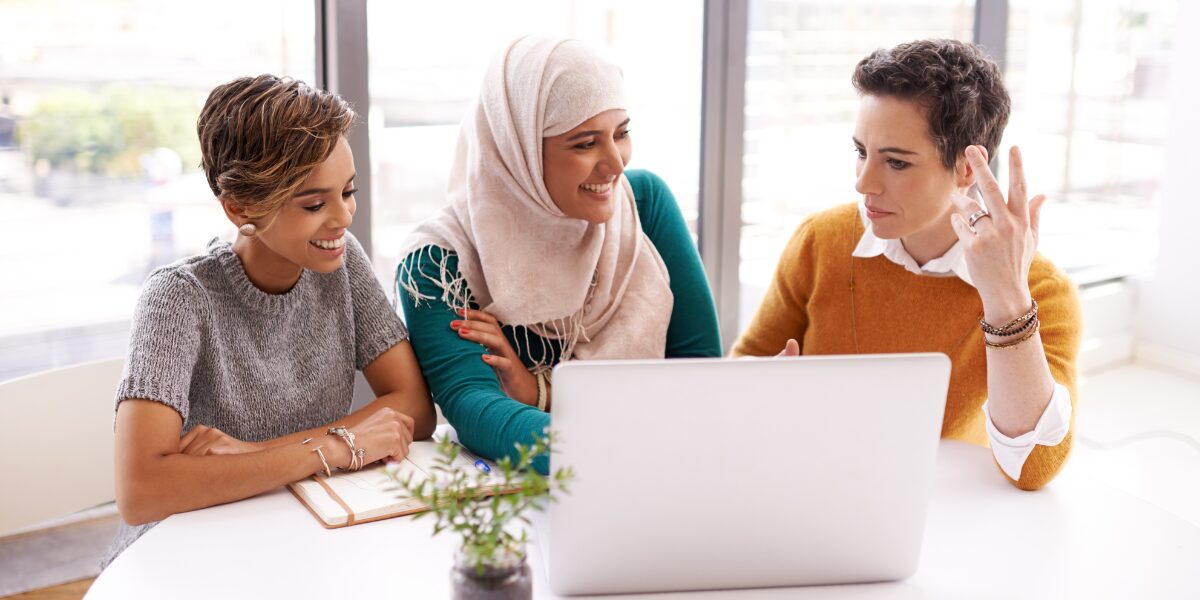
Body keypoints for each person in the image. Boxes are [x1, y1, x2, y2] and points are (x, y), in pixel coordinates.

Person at [104, 75, 435, 567]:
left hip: (307, 532)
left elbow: (414, 409)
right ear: (240, 209)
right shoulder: (177, 299)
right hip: (190, 554)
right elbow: (141, 491)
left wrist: (252, 454)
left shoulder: (343, 263)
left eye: (348, 191)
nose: (343, 217)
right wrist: (336, 448)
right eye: (314, 204)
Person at [732, 39, 1081, 491]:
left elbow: (1032, 469)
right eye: (861, 152)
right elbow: (744, 374)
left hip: (941, 514)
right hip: (812, 486)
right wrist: (762, 393)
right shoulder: (821, 240)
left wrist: (1005, 298)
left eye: (895, 162)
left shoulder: (1040, 290)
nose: (864, 183)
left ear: (967, 168)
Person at [397, 37, 721, 474]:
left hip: (657, 484)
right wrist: (633, 448)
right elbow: (475, 409)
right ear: (520, 151)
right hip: (520, 508)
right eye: (585, 143)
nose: (615, 163)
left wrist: (539, 393)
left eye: (622, 134)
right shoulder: (438, 263)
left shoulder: (644, 204)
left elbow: (697, 373)